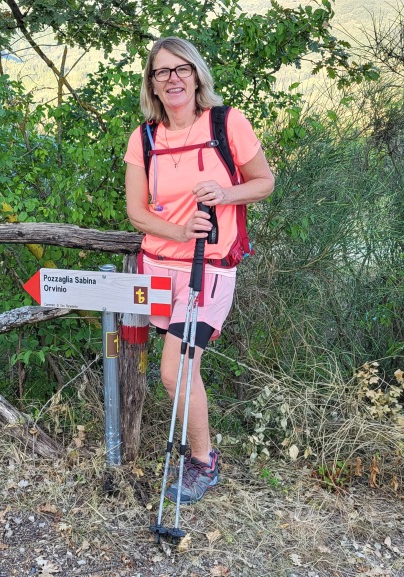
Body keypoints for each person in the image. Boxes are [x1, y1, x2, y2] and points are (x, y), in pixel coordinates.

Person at [123, 36, 275, 504]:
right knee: (181, 370)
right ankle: (200, 457)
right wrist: (178, 230)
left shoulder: (226, 123)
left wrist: (225, 194)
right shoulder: (145, 138)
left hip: (207, 269)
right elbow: (136, 212)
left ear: (195, 75)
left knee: (175, 371)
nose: (172, 79)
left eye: (181, 69)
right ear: (151, 83)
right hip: (158, 269)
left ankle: (203, 463)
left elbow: (265, 181)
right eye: (161, 71)